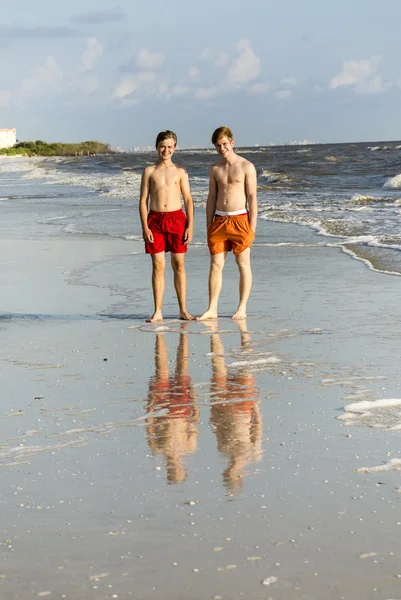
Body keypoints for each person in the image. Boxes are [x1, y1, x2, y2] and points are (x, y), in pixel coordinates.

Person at [197, 126, 258, 320]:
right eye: (218, 145)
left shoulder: (246, 166)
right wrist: (209, 225)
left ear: (232, 142)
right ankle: (212, 308)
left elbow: (252, 198)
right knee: (215, 265)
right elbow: (212, 197)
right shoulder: (215, 168)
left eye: (224, 144)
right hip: (219, 220)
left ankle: (242, 308)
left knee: (243, 265)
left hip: (241, 220)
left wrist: (252, 228)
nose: (222, 148)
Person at [139, 130, 194, 322]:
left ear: (175, 148)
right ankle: (158, 311)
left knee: (179, 264)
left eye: (170, 147)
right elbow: (143, 200)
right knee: (158, 265)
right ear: (156, 147)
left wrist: (190, 226)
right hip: (155, 220)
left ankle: (183, 310)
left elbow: (188, 199)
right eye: (163, 146)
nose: (166, 150)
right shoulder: (149, 171)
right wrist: (145, 227)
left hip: (177, 219)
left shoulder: (180, 172)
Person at [205, 320, 262, 493]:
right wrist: (256, 407)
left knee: (219, 366)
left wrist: (212, 405)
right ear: (241, 476)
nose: (230, 470)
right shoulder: (254, 454)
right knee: (244, 366)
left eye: (228, 474)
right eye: (232, 474)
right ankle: (237, 332)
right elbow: (258, 428)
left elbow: (216, 426)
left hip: (225, 403)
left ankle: (217, 332)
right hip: (243, 404)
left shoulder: (222, 449)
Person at [146, 324, 199, 484]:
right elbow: (194, 425)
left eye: (173, 472)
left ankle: (173, 336)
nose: (174, 468)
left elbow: (150, 428)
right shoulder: (189, 449)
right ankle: (171, 336)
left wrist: (150, 406)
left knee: (163, 372)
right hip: (180, 410)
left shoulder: (157, 449)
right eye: (175, 471)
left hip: (163, 409)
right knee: (180, 370)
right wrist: (194, 403)